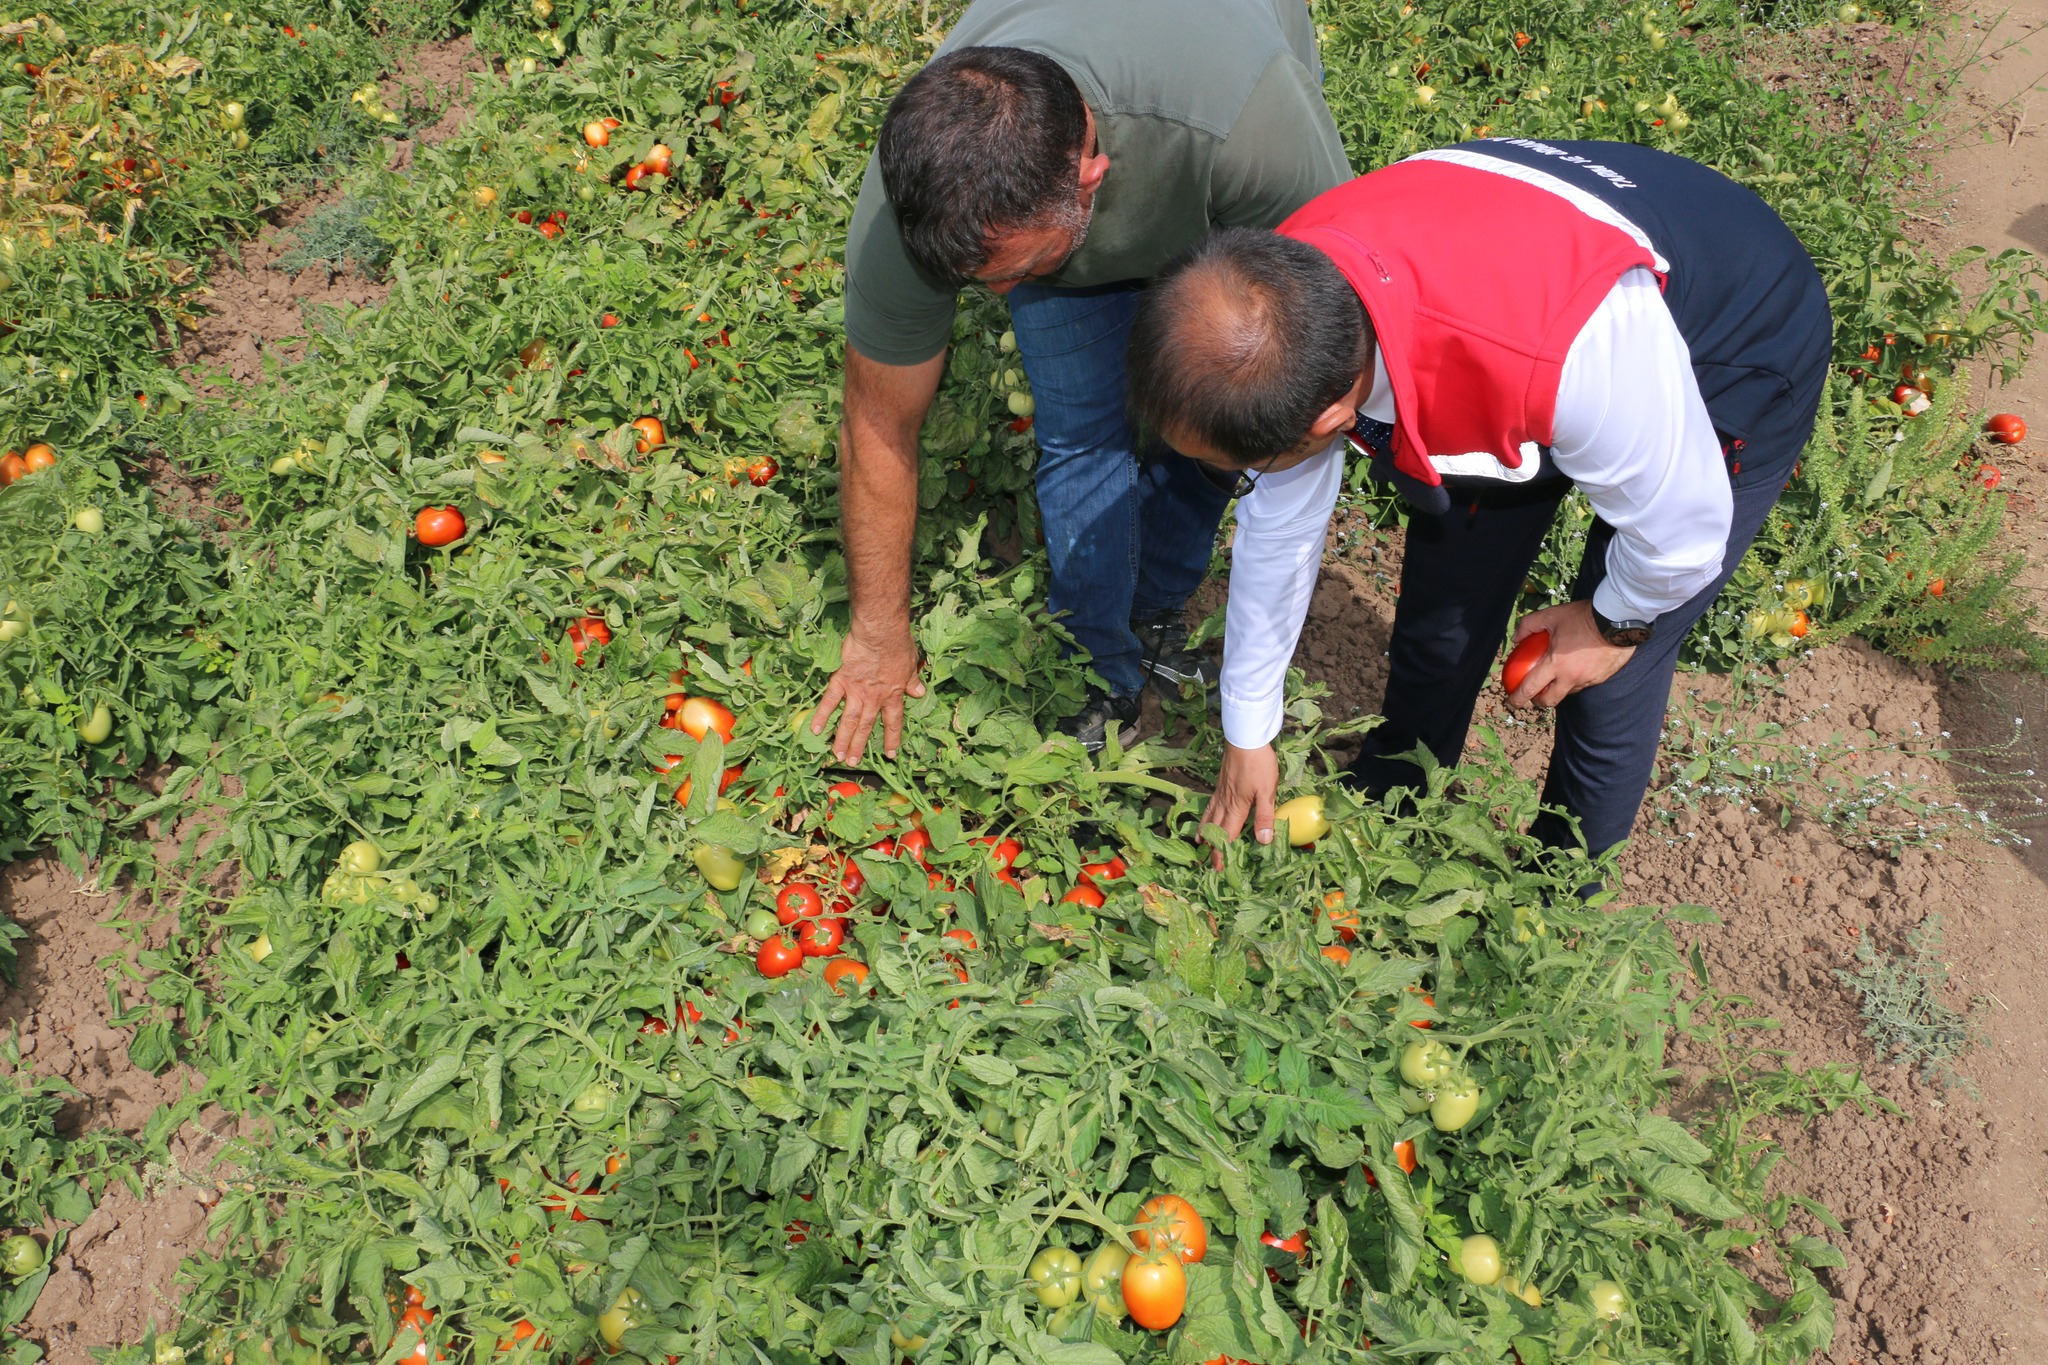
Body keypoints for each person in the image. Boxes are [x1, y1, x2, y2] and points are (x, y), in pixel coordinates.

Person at [1125, 138, 1832, 859]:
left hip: (1733, 327)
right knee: (1445, 605)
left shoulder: (1567, 355)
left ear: (1329, 422)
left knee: (1608, 675)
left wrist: (1615, 621)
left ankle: (1559, 887)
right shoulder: (1280, 303)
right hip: (1527, 302)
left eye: (1234, 471)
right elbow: (1280, 524)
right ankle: (1395, 798)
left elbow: (1683, 534)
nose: (1237, 484)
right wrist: (1249, 732)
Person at [806, 0, 1351, 761]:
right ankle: (1097, 665)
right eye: (978, 281)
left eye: (1018, 271)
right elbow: (878, 422)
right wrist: (876, 635)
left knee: (1219, 408)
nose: (997, 299)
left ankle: (1154, 605)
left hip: (1206, 157)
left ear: (1091, 175)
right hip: (1089, 177)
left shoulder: (1249, 133)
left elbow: (1314, 354)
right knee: (1081, 428)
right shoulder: (922, 195)